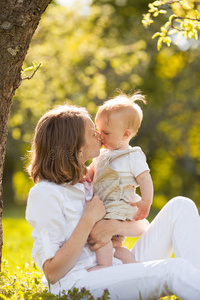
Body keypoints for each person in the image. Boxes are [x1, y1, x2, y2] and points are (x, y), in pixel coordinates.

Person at [26, 103, 200, 300]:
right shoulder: (46, 194)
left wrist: (113, 227)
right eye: (93, 133)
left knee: (181, 206)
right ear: (73, 143)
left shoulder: (92, 182)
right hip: (80, 281)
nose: (99, 136)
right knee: (172, 270)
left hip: (117, 265)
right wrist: (88, 220)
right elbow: (52, 273)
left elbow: (142, 225)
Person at [87, 92, 153, 270]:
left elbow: (145, 178)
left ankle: (105, 267)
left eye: (105, 133)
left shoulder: (133, 156)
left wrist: (146, 201)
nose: (100, 136)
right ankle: (132, 269)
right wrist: (86, 173)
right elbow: (93, 170)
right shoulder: (102, 154)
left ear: (125, 134)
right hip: (104, 207)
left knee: (103, 239)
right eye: (98, 131)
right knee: (115, 246)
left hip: (118, 209)